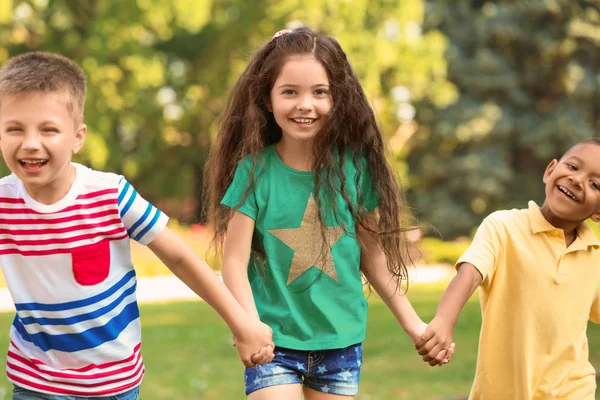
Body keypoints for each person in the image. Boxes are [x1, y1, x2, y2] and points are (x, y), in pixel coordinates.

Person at [0, 51, 274, 400]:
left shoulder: (109, 194)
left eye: (49, 129)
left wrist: (241, 323)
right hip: (34, 383)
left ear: (77, 136)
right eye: (14, 129)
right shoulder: (4, 202)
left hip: (112, 384)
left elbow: (180, 258)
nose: (31, 143)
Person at [204, 27, 453, 400]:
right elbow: (234, 264)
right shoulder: (254, 172)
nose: (306, 104)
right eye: (290, 92)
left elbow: (373, 257)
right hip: (273, 343)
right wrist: (248, 327)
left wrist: (415, 325)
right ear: (267, 100)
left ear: (337, 99)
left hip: (340, 344)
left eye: (320, 92)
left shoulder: (354, 171)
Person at [415, 138, 600, 399]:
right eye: (573, 167)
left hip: (574, 390)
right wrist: (444, 321)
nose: (578, 180)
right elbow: (469, 274)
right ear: (549, 171)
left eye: (595, 184)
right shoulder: (503, 227)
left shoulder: (595, 256)